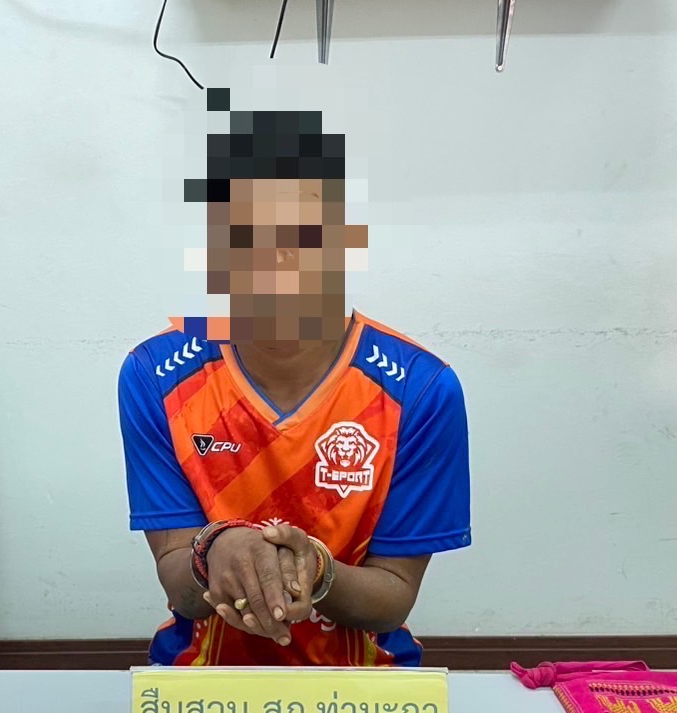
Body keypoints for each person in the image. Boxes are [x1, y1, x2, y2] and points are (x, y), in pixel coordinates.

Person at [117, 98, 470, 666]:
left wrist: (319, 572)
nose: (275, 254)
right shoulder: (155, 376)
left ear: (345, 240)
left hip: (365, 689)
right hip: (200, 689)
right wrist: (215, 551)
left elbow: (394, 595)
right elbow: (178, 580)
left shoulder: (422, 391)